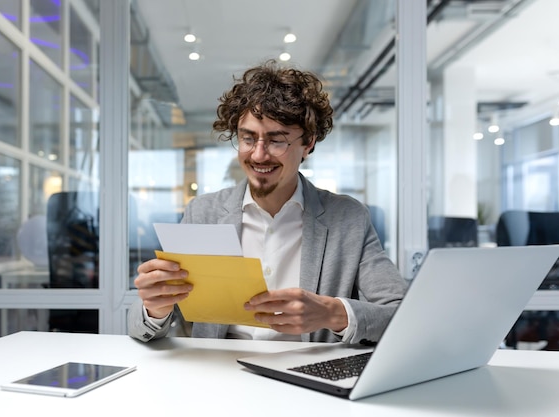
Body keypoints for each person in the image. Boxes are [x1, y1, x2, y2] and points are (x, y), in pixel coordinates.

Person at [128, 59, 408, 344]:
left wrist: (332, 313)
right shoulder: (204, 212)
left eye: (277, 141)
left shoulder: (348, 218)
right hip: (220, 374)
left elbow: (401, 316)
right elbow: (140, 330)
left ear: (308, 143)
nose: (259, 155)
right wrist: (156, 308)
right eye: (248, 138)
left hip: (306, 380)